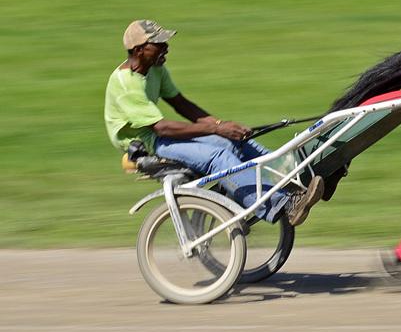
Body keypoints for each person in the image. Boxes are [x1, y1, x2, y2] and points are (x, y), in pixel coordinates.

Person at [104, 19, 323, 226]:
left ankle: (292, 174)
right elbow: (161, 127)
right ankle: (282, 204)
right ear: (139, 50)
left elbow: (182, 104)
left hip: (162, 135)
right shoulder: (126, 85)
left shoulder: (155, 70)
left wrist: (222, 125)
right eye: (159, 44)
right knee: (218, 157)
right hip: (148, 145)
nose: (166, 47)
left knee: (233, 142)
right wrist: (217, 128)